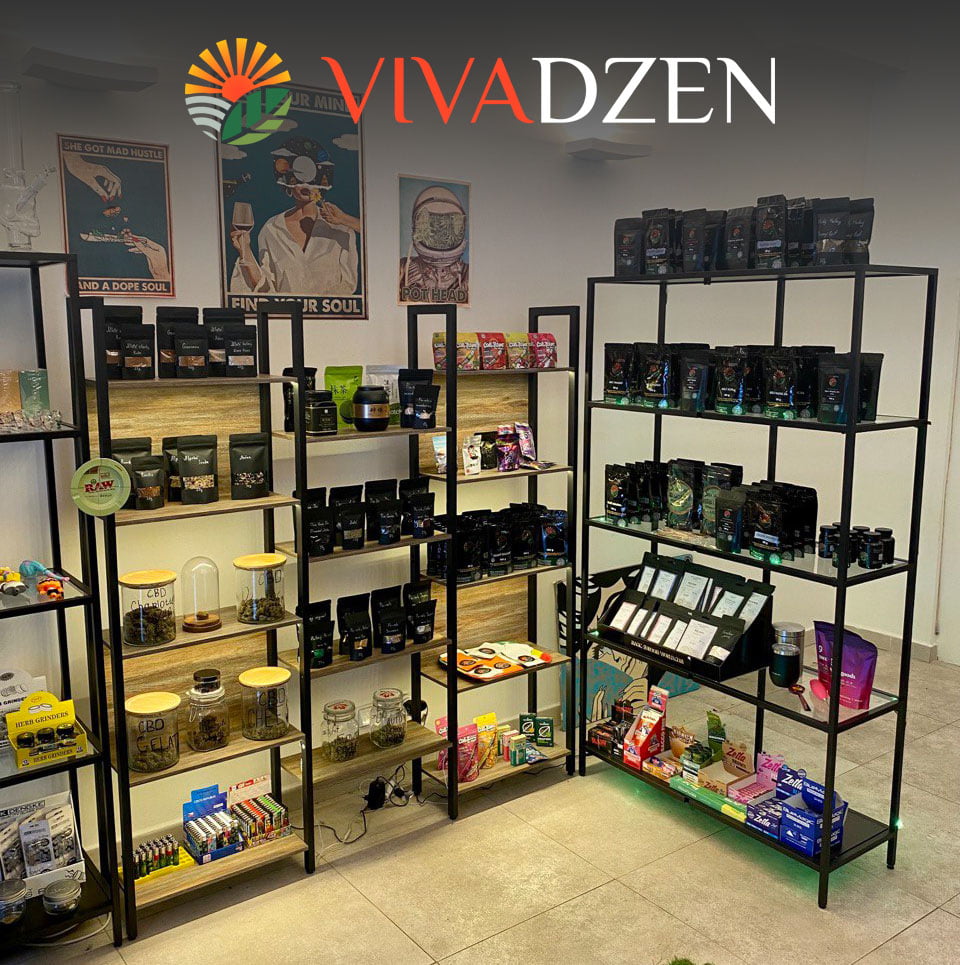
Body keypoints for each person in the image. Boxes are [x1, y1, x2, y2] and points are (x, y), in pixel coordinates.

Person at [229, 136, 360, 296]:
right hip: (286, 312)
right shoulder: (272, 229)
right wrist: (245, 250)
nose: (305, 183)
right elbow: (266, 288)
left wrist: (344, 219)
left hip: (330, 312)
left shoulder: (342, 229)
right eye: (299, 173)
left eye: (309, 173)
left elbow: (348, 285)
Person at [399, 184, 469, 302]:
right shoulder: (403, 269)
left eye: (450, 224)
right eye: (432, 225)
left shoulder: (468, 275)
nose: (439, 234)